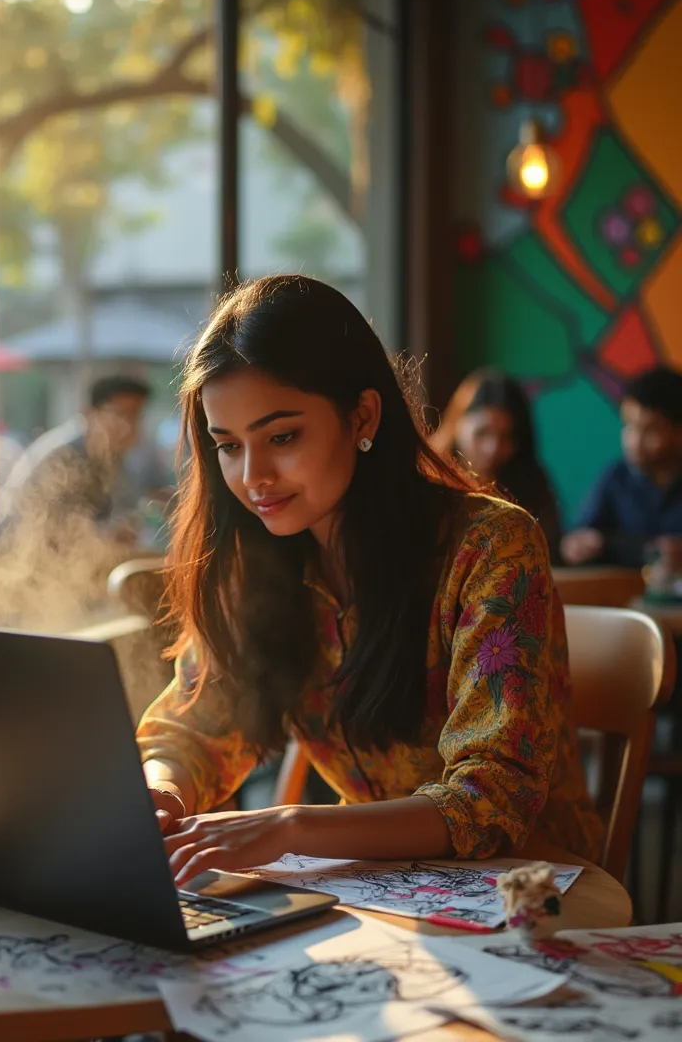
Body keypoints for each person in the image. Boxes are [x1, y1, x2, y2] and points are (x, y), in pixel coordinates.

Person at [136, 275, 602, 885]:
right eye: (228, 446)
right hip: (376, 895)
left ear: (363, 414)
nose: (254, 476)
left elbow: (494, 798)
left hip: (532, 895)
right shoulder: (260, 563)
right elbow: (192, 731)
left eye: (282, 437)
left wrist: (289, 828)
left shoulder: (490, 546)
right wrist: (162, 795)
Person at [6, 375, 171, 534]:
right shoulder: (65, 458)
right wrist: (111, 532)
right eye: (121, 414)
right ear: (90, 414)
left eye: (136, 416)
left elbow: (126, 508)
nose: (128, 426)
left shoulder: (113, 456)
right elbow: (55, 528)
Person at [562, 366, 682, 570]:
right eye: (629, 425)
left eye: (650, 430)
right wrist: (579, 545)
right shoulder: (614, 478)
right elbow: (575, 542)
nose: (634, 440)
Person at [433, 370, 561, 559]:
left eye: (506, 437)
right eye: (482, 432)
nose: (492, 448)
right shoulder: (428, 479)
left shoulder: (531, 487)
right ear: (457, 425)